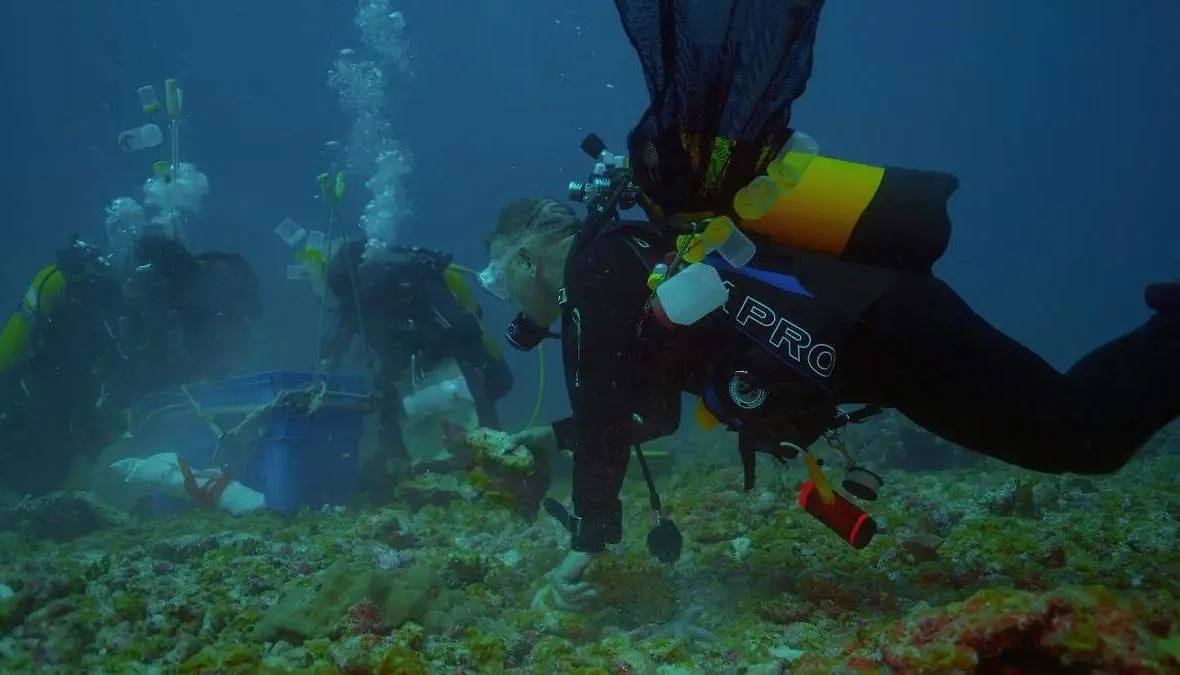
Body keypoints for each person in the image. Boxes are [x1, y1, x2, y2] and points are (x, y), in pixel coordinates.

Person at [478, 0, 1180, 610]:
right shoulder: (628, 261)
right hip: (879, 340)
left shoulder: (595, 268)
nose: (510, 300)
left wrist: (590, 538)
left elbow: (604, 399)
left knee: (1081, 435)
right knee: (1076, 432)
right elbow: (648, 407)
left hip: (885, 328)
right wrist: (553, 438)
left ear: (524, 257)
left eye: (502, 280)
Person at [0, 234, 261, 495]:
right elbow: (4, 363)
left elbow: (158, 382)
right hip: (47, 388)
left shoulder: (168, 313)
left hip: (81, 390)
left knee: (54, 466)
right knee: (43, 469)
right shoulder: (85, 292)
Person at [321, 238, 514, 497]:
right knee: (390, 407)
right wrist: (326, 364)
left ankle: (490, 471)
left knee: (466, 422)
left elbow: (462, 328)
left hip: (451, 371)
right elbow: (344, 326)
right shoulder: (357, 300)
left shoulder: (414, 284)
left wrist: (422, 347)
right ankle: (408, 472)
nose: (353, 304)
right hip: (410, 375)